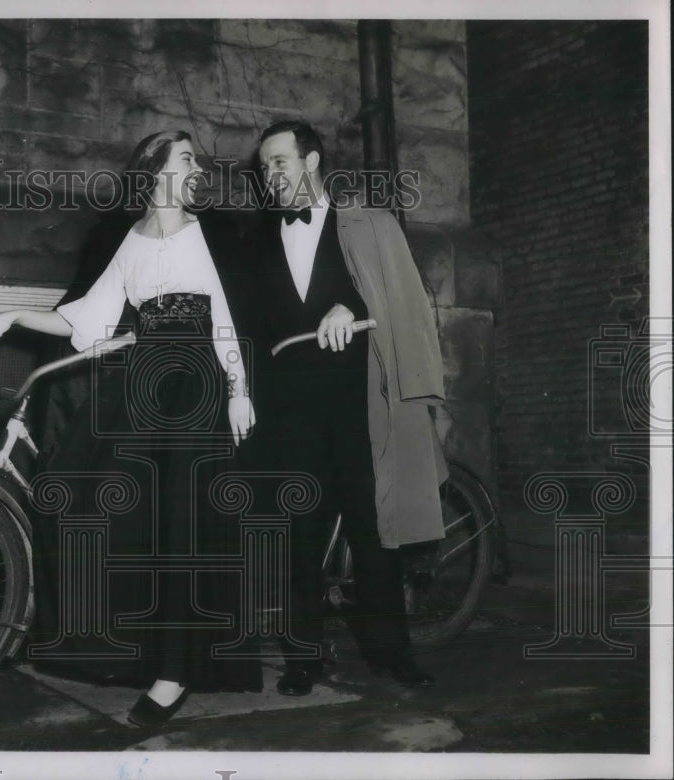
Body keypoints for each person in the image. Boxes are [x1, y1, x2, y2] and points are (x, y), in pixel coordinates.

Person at [0, 131, 263, 727]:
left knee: (181, 524)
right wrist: (10, 314)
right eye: (186, 157)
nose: (198, 165)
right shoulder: (130, 239)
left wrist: (240, 391)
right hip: (140, 388)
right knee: (106, 510)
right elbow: (84, 317)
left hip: (196, 385)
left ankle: (176, 671)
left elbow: (229, 318)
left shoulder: (211, 232)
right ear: (156, 170)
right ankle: (131, 647)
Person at [244, 119, 447, 695]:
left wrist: (346, 307)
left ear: (311, 163)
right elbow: (247, 326)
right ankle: (304, 659)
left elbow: (399, 302)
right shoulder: (256, 238)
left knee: (375, 532)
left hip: (359, 407)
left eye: (279, 162)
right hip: (285, 412)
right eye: (264, 167)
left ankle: (394, 654)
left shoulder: (368, 224)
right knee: (297, 537)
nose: (270, 176)